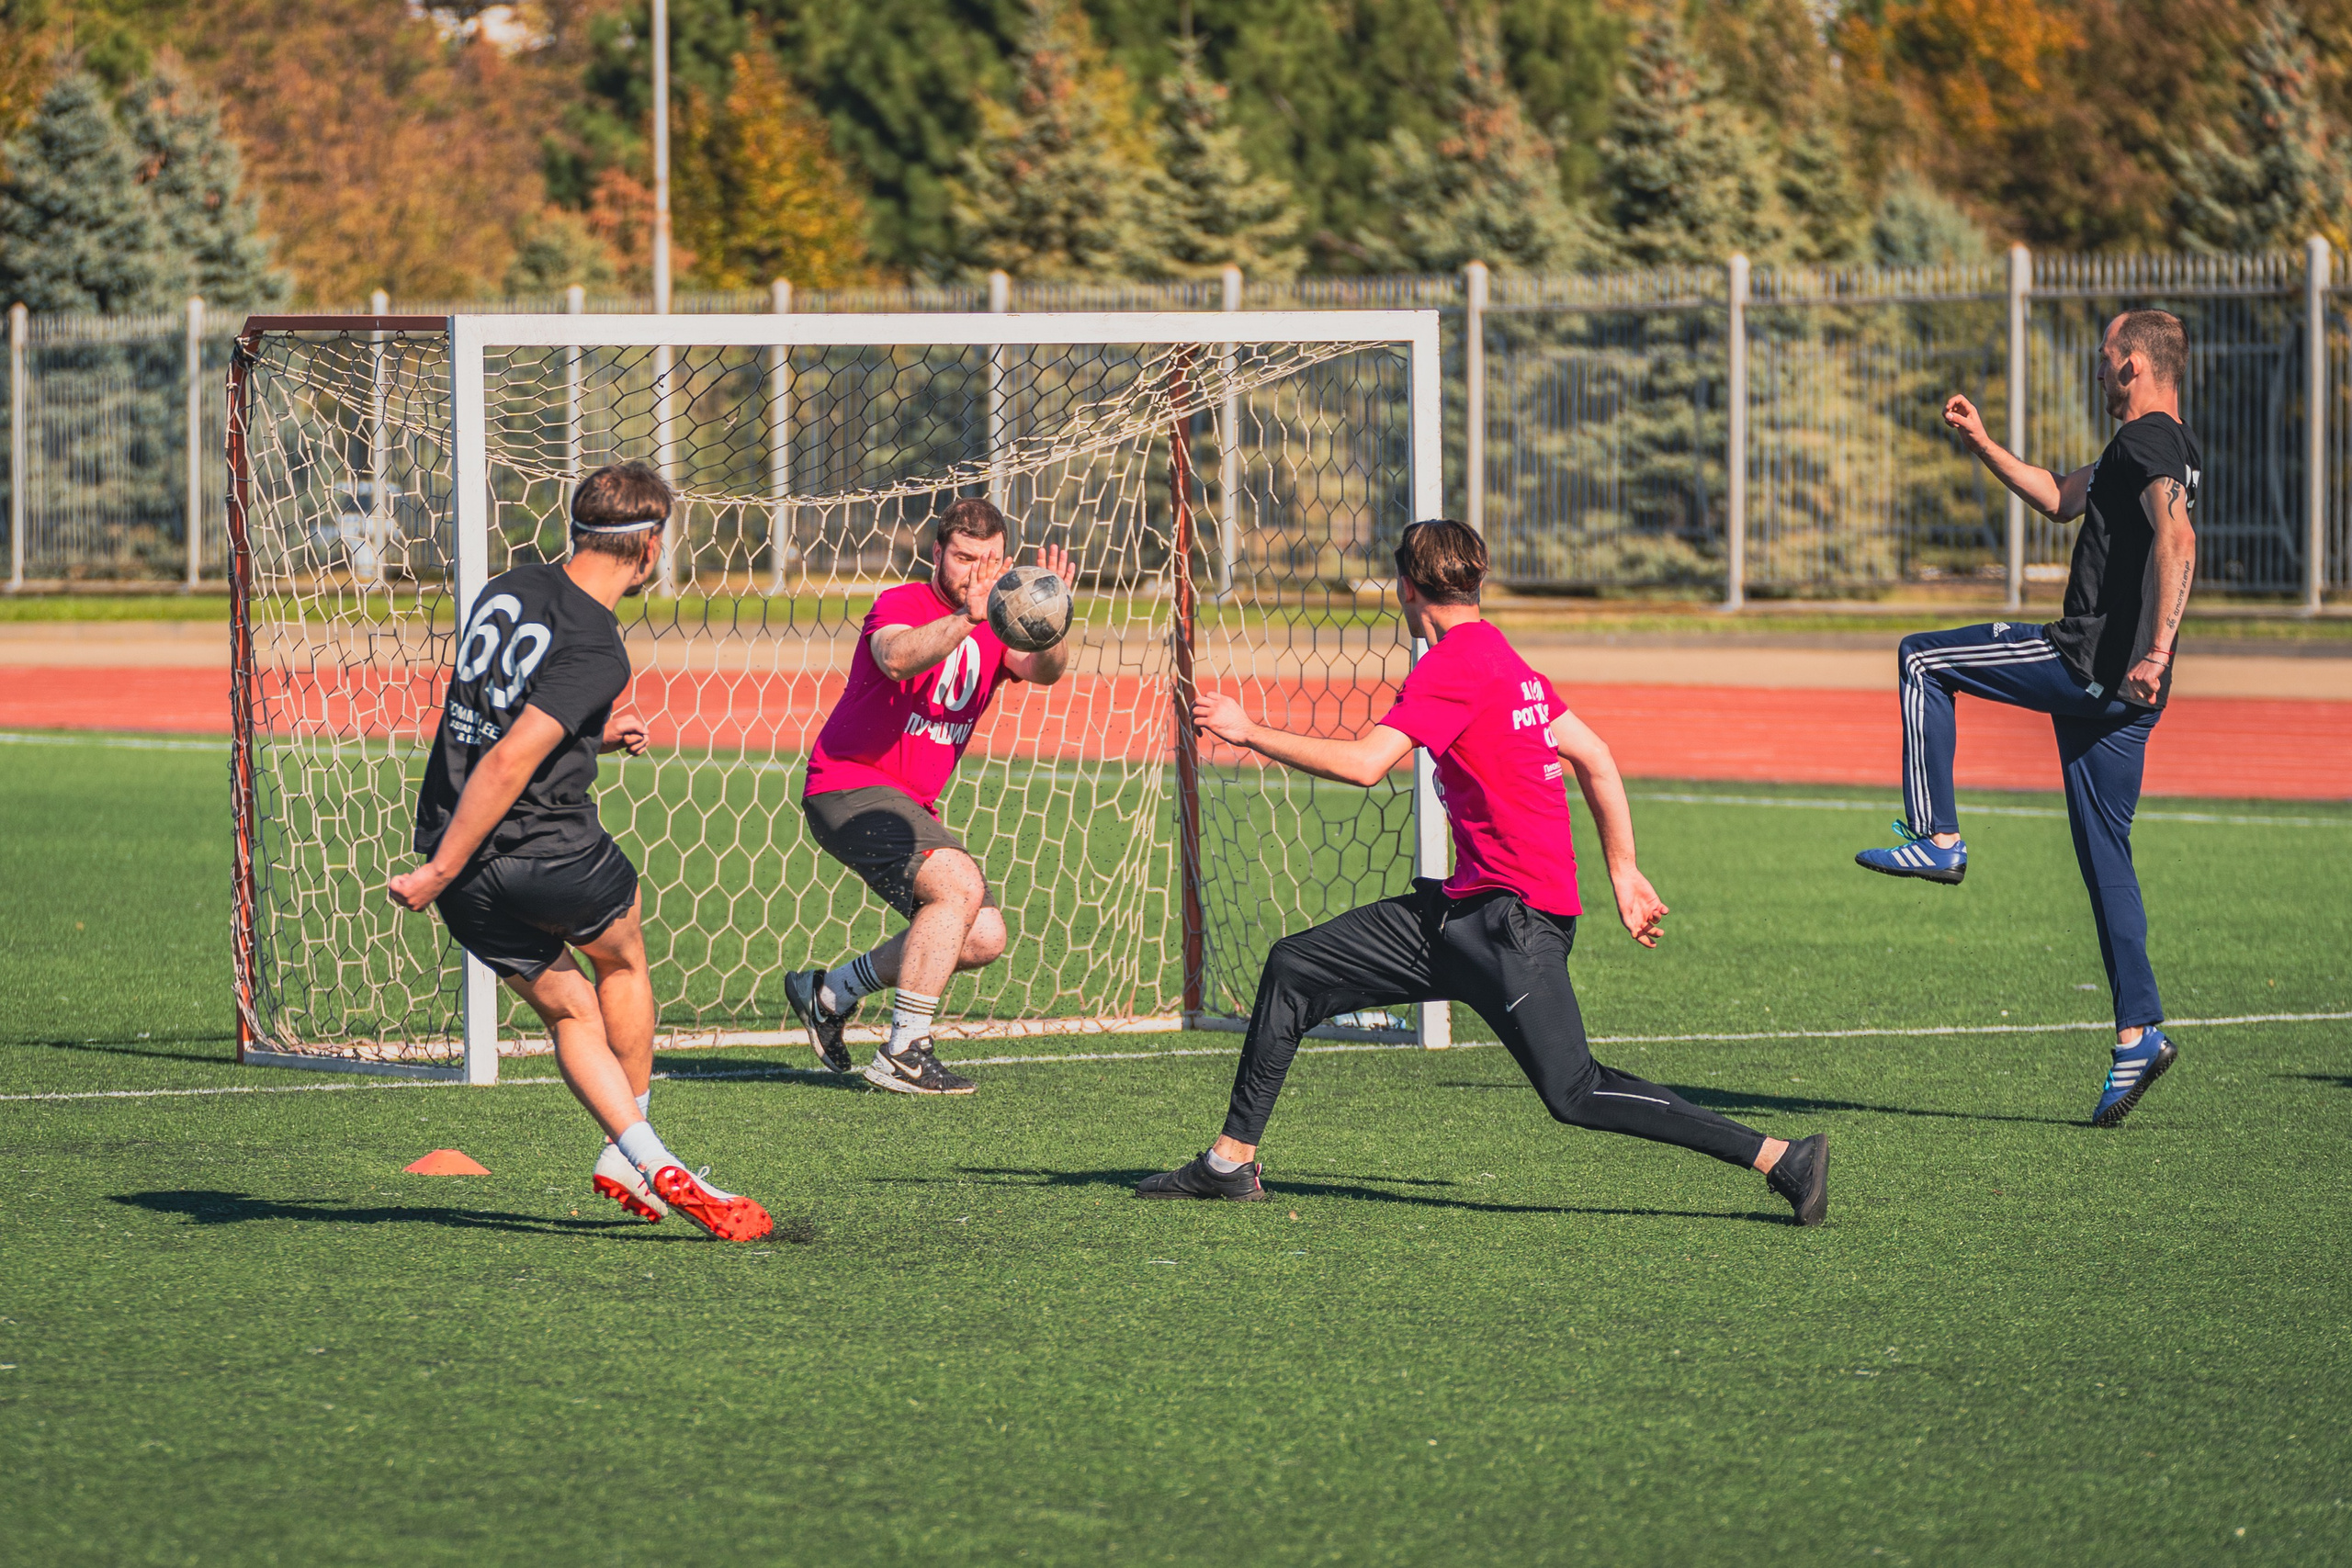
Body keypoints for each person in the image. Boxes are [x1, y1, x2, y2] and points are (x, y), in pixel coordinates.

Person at [1136, 518, 1829, 1225]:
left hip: (1512, 927)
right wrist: (1622, 871)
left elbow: (1366, 764)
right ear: (1475, 580)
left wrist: (1248, 731)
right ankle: (1230, 1159)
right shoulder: (1507, 660)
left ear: (1407, 588)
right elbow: (1595, 756)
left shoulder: (1454, 665)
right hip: (1462, 917)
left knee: (1574, 1090)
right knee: (1295, 966)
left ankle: (1782, 1156)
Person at [388, 461, 774, 1242]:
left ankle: (645, 1152)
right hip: (538, 849)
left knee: (569, 1010)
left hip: (455, 849)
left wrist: (591, 733)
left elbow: (495, 716)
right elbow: (508, 759)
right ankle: (627, 1152)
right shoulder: (600, 646)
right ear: (650, 544)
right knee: (623, 955)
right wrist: (438, 871)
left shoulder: (504, 588)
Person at [1857, 310, 2199, 1129]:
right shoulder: (2159, 445)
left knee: (1922, 658)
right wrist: (1982, 443)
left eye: (2105, 356)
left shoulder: (2149, 441)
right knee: (2103, 855)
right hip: (2127, 698)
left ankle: (1937, 835)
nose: (2097, 366)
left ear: (2133, 368)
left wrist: (2153, 650)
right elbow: (2057, 497)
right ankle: (2137, 1033)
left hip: (2089, 665)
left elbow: (2176, 539)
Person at [784, 498, 1073, 1095]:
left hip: (908, 803)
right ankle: (904, 1050)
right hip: (847, 783)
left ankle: (829, 993)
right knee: (958, 885)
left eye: (991, 560)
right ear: (939, 553)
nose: (977, 571)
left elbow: (1045, 670)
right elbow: (894, 657)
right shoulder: (903, 603)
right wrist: (969, 616)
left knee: (982, 933)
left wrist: (1053, 621)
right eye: (965, 557)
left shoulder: (1000, 618)